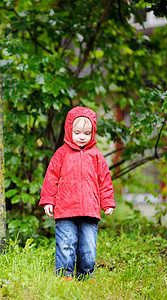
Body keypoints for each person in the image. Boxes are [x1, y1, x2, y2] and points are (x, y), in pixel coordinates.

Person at [39, 106, 115, 281]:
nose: (82, 137)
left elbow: (105, 180)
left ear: (93, 133)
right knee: (66, 244)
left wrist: (107, 202)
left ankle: (85, 275)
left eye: (87, 133)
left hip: (90, 209)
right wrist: (48, 200)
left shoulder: (96, 156)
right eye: (78, 132)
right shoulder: (61, 154)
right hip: (65, 209)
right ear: (69, 129)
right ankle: (65, 275)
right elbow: (51, 178)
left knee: (88, 246)